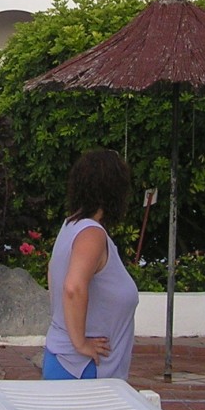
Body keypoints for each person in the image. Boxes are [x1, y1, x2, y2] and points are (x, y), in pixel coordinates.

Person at [43, 148, 138, 380]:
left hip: (69, 362)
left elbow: (52, 274)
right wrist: (80, 342)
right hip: (82, 368)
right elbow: (73, 287)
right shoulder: (91, 234)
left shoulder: (71, 226)